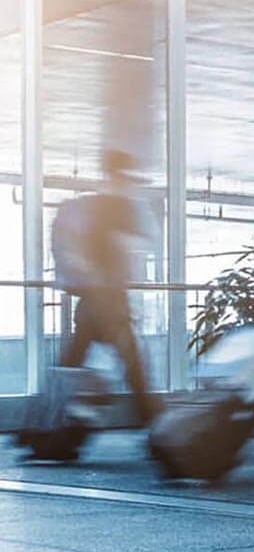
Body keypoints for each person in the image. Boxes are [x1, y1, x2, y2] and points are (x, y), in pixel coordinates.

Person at [56, 148, 160, 427]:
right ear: (121, 174)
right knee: (135, 368)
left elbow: (85, 252)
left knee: (73, 362)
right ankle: (157, 428)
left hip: (92, 299)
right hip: (110, 301)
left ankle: (52, 421)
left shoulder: (94, 206)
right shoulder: (119, 206)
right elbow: (126, 246)